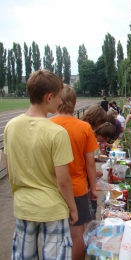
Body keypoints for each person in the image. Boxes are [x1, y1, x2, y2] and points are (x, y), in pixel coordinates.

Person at [3, 70, 78, 260]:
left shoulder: (10, 126)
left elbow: (11, 170)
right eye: (59, 97)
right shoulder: (57, 133)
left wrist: (21, 195)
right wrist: (73, 207)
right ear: (49, 97)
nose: (61, 102)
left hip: (24, 206)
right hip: (52, 209)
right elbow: (63, 181)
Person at [50, 85, 98, 260]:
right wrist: (92, 189)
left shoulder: (48, 125)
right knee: (78, 235)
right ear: (74, 102)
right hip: (77, 189)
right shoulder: (84, 127)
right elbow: (90, 164)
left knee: (52, 237)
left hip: (53, 188)